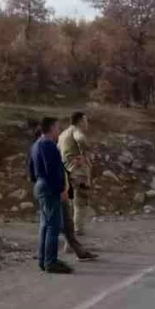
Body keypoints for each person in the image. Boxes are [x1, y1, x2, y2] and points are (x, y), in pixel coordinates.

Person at [29, 117, 72, 274]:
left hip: (40, 184)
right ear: (52, 128)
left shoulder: (35, 145)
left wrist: (38, 182)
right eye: (57, 128)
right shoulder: (48, 145)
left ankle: (44, 259)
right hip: (49, 187)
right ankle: (51, 261)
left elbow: (31, 168)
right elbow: (53, 171)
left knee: (45, 224)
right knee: (53, 225)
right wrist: (61, 189)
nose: (59, 132)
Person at [58, 111, 98, 260]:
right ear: (80, 121)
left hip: (66, 172)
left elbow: (58, 151)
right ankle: (73, 243)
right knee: (80, 206)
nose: (87, 124)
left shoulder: (62, 135)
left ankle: (70, 242)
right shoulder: (77, 132)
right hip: (78, 174)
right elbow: (80, 139)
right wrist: (86, 153)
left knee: (69, 207)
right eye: (86, 121)